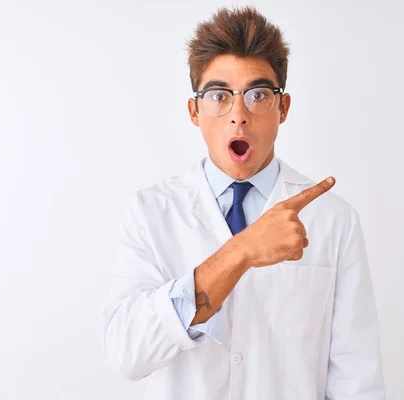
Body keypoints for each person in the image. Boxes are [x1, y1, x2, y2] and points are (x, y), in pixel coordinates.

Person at [101, 6, 385, 399]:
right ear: (194, 111)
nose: (239, 115)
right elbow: (126, 353)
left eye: (258, 95)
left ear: (282, 108)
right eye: (218, 95)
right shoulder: (151, 212)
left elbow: (357, 378)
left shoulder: (333, 220)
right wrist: (242, 252)